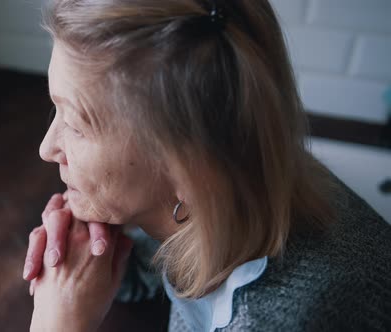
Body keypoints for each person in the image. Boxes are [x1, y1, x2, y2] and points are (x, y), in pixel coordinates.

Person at [22, 0, 391, 331]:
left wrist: (58, 325)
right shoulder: (232, 179)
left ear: (189, 170)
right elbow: (157, 274)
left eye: (75, 122)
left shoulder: (286, 319)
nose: (46, 148)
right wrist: (91, 254)